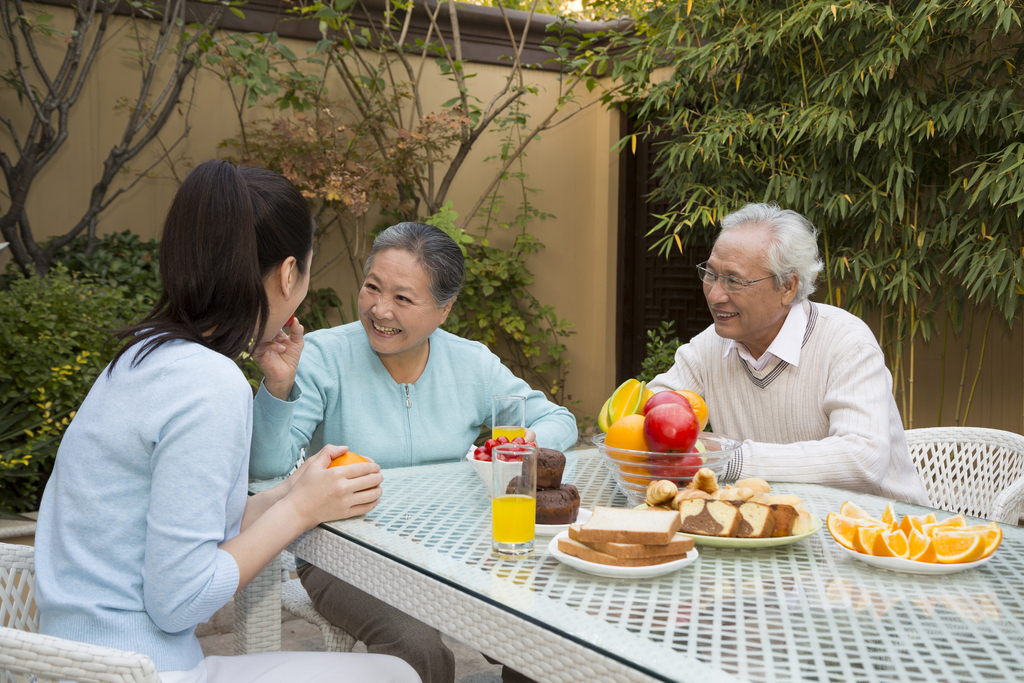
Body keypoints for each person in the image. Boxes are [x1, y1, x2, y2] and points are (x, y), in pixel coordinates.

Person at [33, 160, 420, 683]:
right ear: (288, 273)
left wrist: (289, 492)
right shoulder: (209, 383)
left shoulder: (140, 357)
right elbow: (180, 601)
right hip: (139, 671)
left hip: (66, 664)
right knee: (393, 675)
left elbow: (181, 522)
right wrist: (300, 512)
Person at [249, 221, 578, 683]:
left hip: (459, 549)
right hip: (343, 557)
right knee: (415, 645)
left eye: (403, 298)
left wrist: (509, 452)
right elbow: (264, 468)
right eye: (372, 288)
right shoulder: (321, 356)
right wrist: (279, 386)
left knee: (543, 632)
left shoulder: (471, 364)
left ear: (444, 310)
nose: (380, 309)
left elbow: (557, 420)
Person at [648, 202, 930, 505]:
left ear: (788, 287)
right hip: (775, 529)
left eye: (734, 280)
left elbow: (862, 458)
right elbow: (652, 411)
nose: (715, 295)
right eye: (710, 274)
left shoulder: (847, 343)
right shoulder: (709, 347)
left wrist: (733, 458)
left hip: (884, 533)